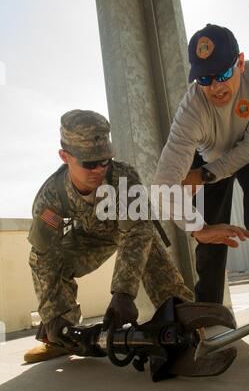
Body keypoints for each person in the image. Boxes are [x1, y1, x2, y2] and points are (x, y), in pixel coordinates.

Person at [24, 109, 195, 363]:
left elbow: (136, 232)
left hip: (128, 232)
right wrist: (53, 316)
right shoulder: (51, 197)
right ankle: (63, 336)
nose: (99, 169)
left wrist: (123, 294)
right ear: (65, 156)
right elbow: (42, 256)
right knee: (48, 257)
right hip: (88, 240)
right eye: (90, 163)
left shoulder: (123, 177)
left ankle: (183, 322)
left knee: (148, 247)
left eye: (105, 160)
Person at [154, 23, 249, 313]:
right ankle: (208, 306)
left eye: (223, 74)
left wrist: (206, 175)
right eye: (205, 80)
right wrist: (197, 228)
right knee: (211, 227)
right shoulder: (191, 110)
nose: (216, 87)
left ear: (241, 63)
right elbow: (163, 184)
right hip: (207, 156)